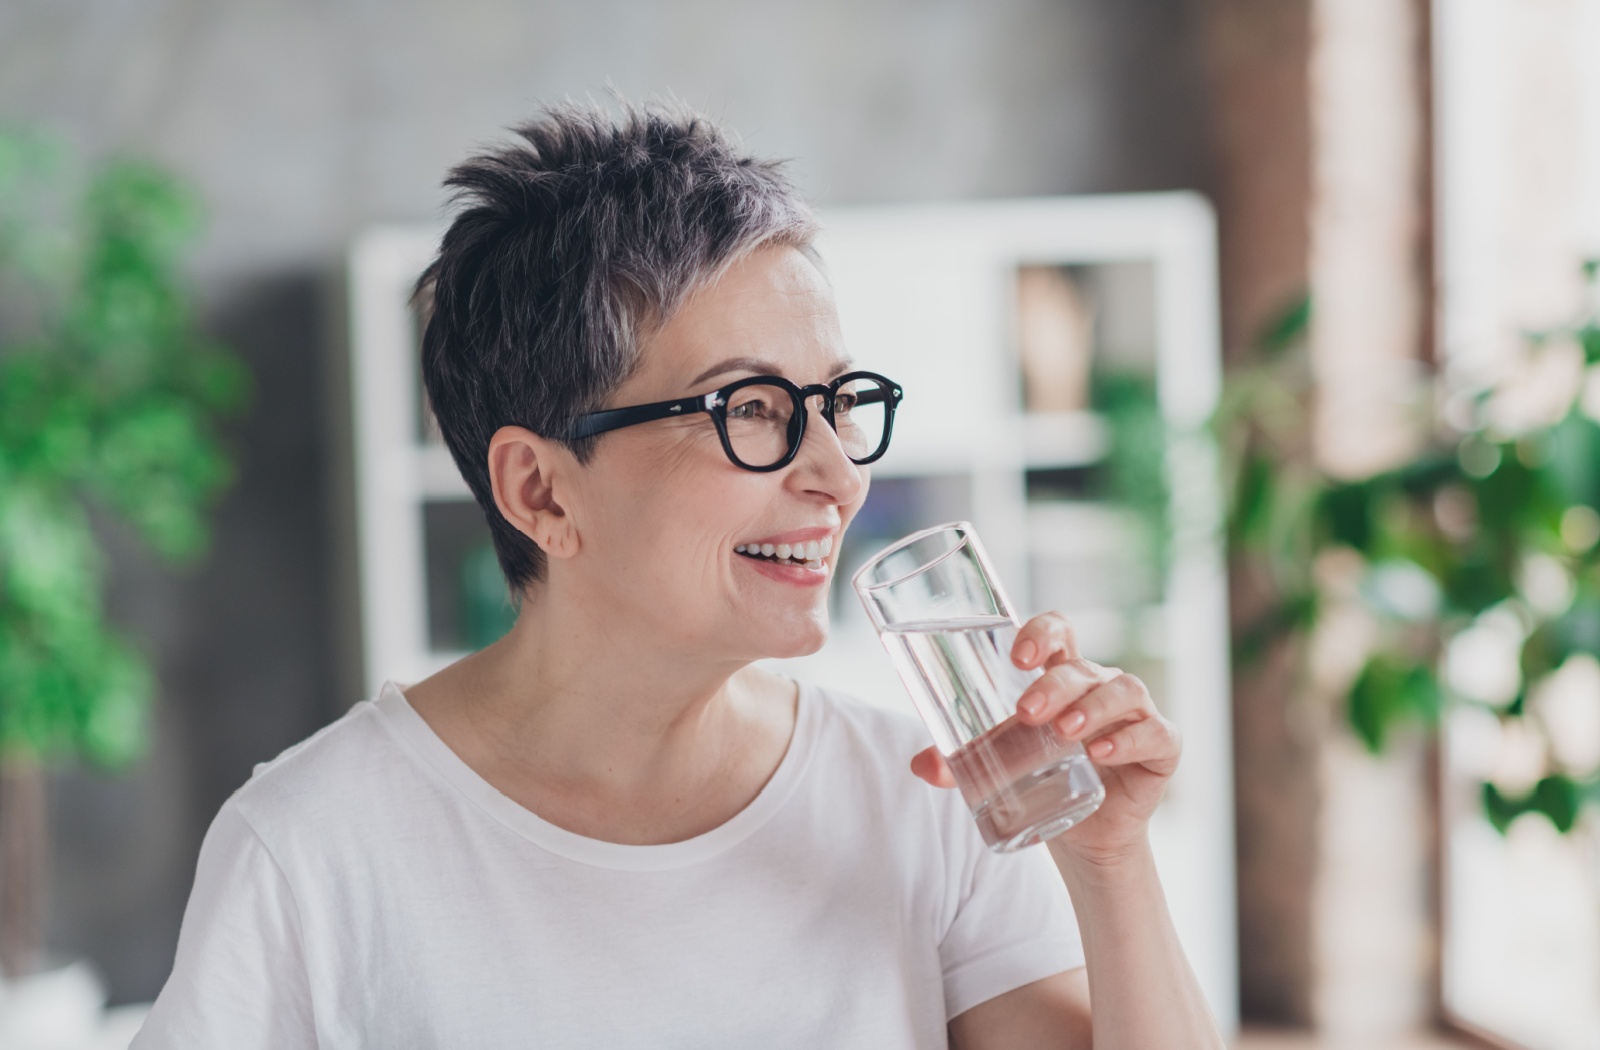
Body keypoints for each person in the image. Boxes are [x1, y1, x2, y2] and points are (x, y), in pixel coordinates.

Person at [133, 102, 1223, 1049]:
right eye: (750, 410)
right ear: (542, 494)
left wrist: (1108, 860)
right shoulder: (317, 848)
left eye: (836, 402)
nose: (837, 474)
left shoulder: (925, 801)